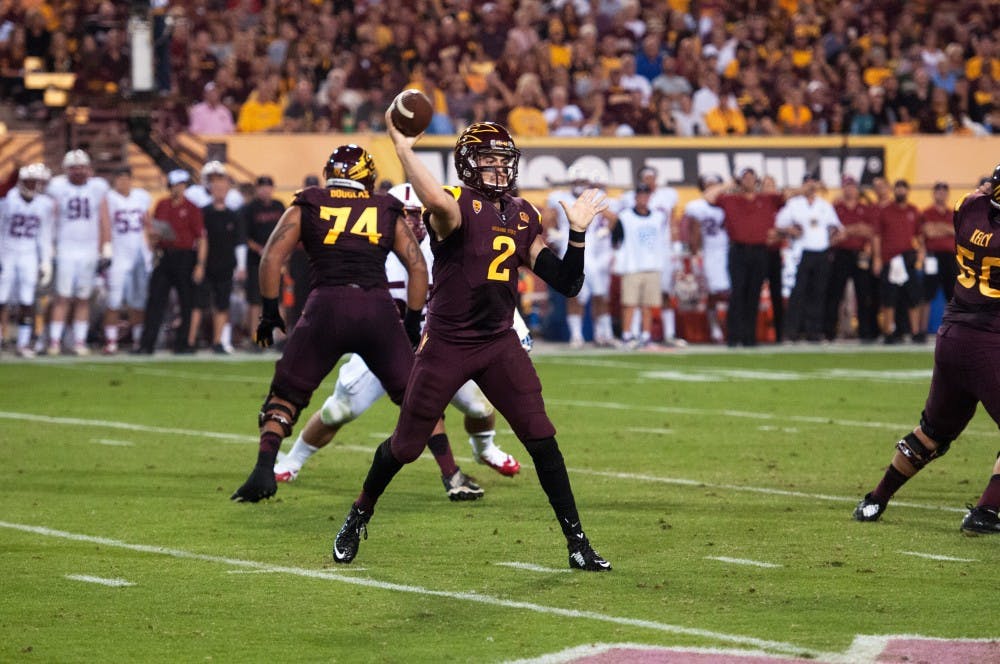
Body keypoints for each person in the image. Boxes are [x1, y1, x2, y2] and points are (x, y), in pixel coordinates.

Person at [330, 119, 612, 571]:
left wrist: (577, 232)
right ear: (467, 164)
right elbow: (436, 200)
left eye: (504, 160)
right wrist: (403, 150)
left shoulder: (523, 213)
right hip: (447, 343)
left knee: (542, 439)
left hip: (498, 341)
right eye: (489, 159)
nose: (498, 168)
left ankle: (577, 542)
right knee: (405, 446)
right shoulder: (454, 205)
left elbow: (568, 283)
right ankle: (358, 513)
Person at [273, 183, 523, 486]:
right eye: (404, 215)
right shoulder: (366, 251)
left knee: (479, 406)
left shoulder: (452, 251)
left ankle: (485, 449)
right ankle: (293, 460)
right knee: (339, 409)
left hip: (440, 346)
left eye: (418, 214)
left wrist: (516, 327)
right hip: (382, 345)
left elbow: (489, 290)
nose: (412, 223)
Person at [230, 144, 430, 504]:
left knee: (286, 395)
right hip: (377, 310)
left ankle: (264, 470)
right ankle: (447, 473)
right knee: (415, 398)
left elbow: (272, 257)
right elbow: (418, 267)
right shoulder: (384, 207)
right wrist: (413, 323)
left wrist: (270, 311)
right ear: (366, 176)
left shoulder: (309, 202)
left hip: (326, 307)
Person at [853, 164, 1000, 535]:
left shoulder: (969, 207)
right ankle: (986, 512)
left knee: (931, 433)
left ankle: (875, 499)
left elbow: (983, 192)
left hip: (952, 334)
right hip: (990, 340)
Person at [705, 168, 784, 347]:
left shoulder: (766, 199)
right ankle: (734, 336)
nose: (748, 181)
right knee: (737, 293)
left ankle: (750, 336)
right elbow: (708, 196)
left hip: (760, 250)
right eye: (745, 178)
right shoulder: (731, 199)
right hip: (738, 250)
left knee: (753, 294)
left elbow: (786, 196)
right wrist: (729, 184)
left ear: (756, 181)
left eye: (751, 178)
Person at [45, 150, 110, 355]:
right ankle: (55, 341)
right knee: (62, 296)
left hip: (89, 249)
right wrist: (51, 246)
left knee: (83, 298)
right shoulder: (57, 187)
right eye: (74, 168)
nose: (78, 172)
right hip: (65, 247)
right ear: (66, 170)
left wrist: (106, 246)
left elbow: (103, 218)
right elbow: (50, 218)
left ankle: (79, 341)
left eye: (81, 167)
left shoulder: (97, 188)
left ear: (88, 168)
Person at [136, 170, 205, 355]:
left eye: (182, 184)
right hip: (165, 253)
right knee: (155, 300)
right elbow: (154, 230)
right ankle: (146, 344)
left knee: (186, 302)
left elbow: (201, 237)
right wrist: (153, 240)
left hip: (185, 256)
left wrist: (200, 264)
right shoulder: (162, 205)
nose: (179, 188)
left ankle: (183, 343)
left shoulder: (192, 207)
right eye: (176, 185)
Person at [544, 172, 616, 348]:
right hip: (569, 249)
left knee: (600, 294)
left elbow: (612, 218)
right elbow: (547, 218)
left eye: (583, 182)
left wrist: (605, 231)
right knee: (574, 294)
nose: (580, 185)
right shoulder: (559, 198)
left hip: (592, 251)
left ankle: (603, 334)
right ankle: (576, 336)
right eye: (577, 182)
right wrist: (553, 232)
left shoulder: (593, 197)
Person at [774, 172, 843, 342]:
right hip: (801, 251)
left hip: (821, 250)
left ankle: (815, 331)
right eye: (808, 183)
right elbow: (779, 223)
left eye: (813, 183)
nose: (811, 187)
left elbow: (837, 227)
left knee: (818, 293)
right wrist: (789, 230)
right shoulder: (794, 204)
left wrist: (832, 238)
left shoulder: (824, 205)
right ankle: (792, 331)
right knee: (798, 293)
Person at [189, 162, 246, 353]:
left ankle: (218, 341)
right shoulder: (203, 212)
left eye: (223, 187)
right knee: (198, 303)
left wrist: (241, 265)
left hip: (225, 264)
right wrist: (199, 264)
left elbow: (239, 241)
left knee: (222, 304)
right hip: (206, 264)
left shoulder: (233, 214)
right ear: (210, 189)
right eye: (217, 187)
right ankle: (190, 340)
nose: (220, 191)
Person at [0, 163, 54, 357]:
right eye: (29, 182)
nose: (32, 186)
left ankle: (23, 343)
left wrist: (45, 261)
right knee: (2, 297)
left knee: (27, 300)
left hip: (29, 253)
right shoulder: (8, 200)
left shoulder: (44, 204)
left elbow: (44, 235)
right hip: (7, 251)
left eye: (35, 182)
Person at [99, 166, 153, 354]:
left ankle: (138, 340)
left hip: (139, 255)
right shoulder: (109, 198)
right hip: (118, 255)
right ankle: (111, 341)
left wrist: (150, 249)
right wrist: (105, 250)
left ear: (131, 179)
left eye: (126, 178)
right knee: (113, 300)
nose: (123, 182)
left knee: (138, 301)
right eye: (120, 178)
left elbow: (148, 224)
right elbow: (104, 224)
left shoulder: (141, 197)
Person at [611, 183, 668, 349]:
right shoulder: (625, 216)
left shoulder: (658, 217)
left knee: (648, 305)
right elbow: (616, 240)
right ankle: (627, 336)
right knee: (629, 304)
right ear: (636, 197)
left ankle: (646, 336)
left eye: (646, 195)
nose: (643, 198)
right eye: (641, 195)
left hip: (652, 265)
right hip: (632, 266)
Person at [827, 175, 879, 342]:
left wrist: (847, 231)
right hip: (840, 254)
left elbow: (870, 231)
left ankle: (864, 330)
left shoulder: (865, 209)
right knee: (835, 294)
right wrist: (856, 229)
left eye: (852, 186)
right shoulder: (836, 208)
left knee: (863, 294)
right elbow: (833, 233)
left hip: (860, 254)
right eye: (847, 186)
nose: (850, 189)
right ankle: (830, 330)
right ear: (843, 189)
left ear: (857, 190)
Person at [873, 179, 924, 343]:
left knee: (913, 296)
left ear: (907, 191)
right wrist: (877, 258)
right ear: (894, 191)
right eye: (898, 189)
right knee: (889, 297)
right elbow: (876, 236)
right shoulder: (885, 211)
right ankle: (888, 331)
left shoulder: (913, 211)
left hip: (907, 258)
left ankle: (915, 331)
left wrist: (921, 253)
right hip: (890, 259)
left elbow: (920, 235)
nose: (900, 191)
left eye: (903, 188)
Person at [240, 175, 284, 348]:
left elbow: (287, 230)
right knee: (255, 301)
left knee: (278, 299)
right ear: (257, 189)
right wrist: (260, 249)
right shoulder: (249, 209)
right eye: (262, 187)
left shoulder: (279, 206)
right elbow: (244, 235)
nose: (265, 190)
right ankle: (255, 338)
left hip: (276, 260)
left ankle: (280, 338)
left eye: (268, 187)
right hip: (255, 261)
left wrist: (279, 251)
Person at [683, 174, 728, 343]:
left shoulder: (728, 202)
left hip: (729, 251)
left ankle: (728, 325)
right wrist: (695, 255)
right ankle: (715, 328)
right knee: (715, 293)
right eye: (709, 184)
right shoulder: (697, 207)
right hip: (710, 253)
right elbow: (693, 232)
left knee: (730, 293)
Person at [919, 182, 958, 325]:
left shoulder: (953, 213)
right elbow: (929, 232)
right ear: (933, 194)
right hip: (932, 257)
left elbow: (956, 232)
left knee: (952, 296)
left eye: (944, 192)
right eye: (938, 191)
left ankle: (952, 328)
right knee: (927, 294)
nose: (941, 194)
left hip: (950, 257)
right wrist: (947, 229)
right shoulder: (926, 212)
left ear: (947, 194)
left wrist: (939, 227)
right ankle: (921, 331)